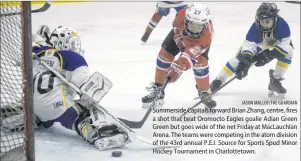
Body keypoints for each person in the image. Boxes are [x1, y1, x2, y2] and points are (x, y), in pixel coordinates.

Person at [31, 25, 131, 150]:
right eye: (72, 42)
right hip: (58, 106)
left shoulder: (36, 54)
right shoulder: (71, 57)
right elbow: (87, 89)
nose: (75, 47)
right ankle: (98, 134)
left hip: (31, 106)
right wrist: (90, 99)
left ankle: (27, 117)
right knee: (81, 116)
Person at [210, 2, 293, 99]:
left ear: (275, 19)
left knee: (289, 52)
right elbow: (249, 47)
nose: (265, 25)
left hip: (275, 44)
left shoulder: (283, 26)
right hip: (258, 45)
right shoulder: (254, 29)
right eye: (262, 21)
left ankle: (275, 80)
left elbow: (284, 47)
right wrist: (245, 62)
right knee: (236, 62)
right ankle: (219, 80)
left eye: (268, 22)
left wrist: (266, 56)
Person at [142, 3, 216, 109]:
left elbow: (189, 57)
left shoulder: (205, 39)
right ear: (186, 21)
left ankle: (204, 92)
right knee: (164, 55)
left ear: (204, 25)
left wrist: (178, 67)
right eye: (191, 26)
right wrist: (178, 39)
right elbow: (176, 26)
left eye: (198, 28)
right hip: (181, 35)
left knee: (200, 63)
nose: (193, 31)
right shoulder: (181, 14)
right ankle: (158, 89)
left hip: (196, 43)